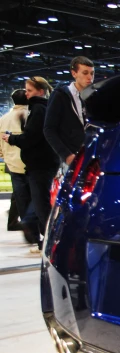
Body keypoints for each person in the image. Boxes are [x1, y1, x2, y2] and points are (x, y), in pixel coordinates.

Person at [1, 77, 60, 251]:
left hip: (24, 164)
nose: (27, 94)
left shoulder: (35, 111)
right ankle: (39, 234)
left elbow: (31, 137)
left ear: (40, 91)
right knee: (37, 200)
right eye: (26, 91)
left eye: (30, 90)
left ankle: (41, 235)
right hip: (34, 163)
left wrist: (11, 139)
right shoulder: (42, 109)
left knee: (33, 201)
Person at [0, 89, 37, 244]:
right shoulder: (31, 116)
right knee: (37, 196)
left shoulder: (3, 119)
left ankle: (26, 225)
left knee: (20, 197)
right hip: (31, 163)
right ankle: (32, 224)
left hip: (12, 164)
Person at [43, 56, 94, 166]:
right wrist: (66, 155)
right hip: (68, 159)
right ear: (74, 73)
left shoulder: (95, 97)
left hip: (90, 157)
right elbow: (49, 129)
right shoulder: (60, 95)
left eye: (92, 73)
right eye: (85, 73)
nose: (90, 77)